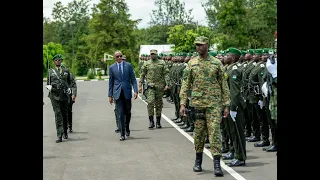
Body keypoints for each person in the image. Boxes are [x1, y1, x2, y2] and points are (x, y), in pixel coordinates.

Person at [179, 36, 230, 177]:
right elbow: (185, 84)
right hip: (197, 104)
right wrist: (183, 103)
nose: (198, 47)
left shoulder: (216, 63)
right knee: (199, 133)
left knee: (214, 132)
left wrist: (226, 104)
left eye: (201, 45)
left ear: (207, 45)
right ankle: (198, 161)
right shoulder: (191, 63)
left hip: (214, 104)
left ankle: (217, 165)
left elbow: (224, 85)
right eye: (196, 45)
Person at [108, 50, 138, 141]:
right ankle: (122, 133)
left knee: (127, 112)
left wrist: (135, 91)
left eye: (120, 56)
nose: (119, 58)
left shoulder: (128, 66)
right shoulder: (112, 68)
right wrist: (110, 95)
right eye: (117, 56)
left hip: (127, 92)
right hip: (117, 93)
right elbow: (111, 82)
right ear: (115, 58)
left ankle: (127, 127)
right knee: (120, 113)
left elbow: (133, 79)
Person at [47, 54, 77, 143]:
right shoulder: (50, 72)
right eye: (56, 60)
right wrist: (49, 88)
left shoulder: (66, 70)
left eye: (59, 60)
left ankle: (65, 131)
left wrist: (71, 92)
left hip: (64, 96)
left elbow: (70, 82)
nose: (58, 61)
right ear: (54, 61)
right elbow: (48, 83)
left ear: (61, 61)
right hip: (54, 96)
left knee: (65, 114)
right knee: (58, 115)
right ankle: (59, 135)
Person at [138, 49, 169, 129]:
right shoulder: (146, 63)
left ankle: (158, 121)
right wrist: (140, 85)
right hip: (150, 86)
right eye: (151, 54)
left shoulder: (162, 63)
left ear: (156, 54)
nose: (153, 55)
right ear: (150, 54)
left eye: (154, 54)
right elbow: (142, 74)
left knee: (159, 104)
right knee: (150, 102)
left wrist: (167, 84)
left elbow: (166, 73)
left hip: (159, 86)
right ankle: (151, 121)